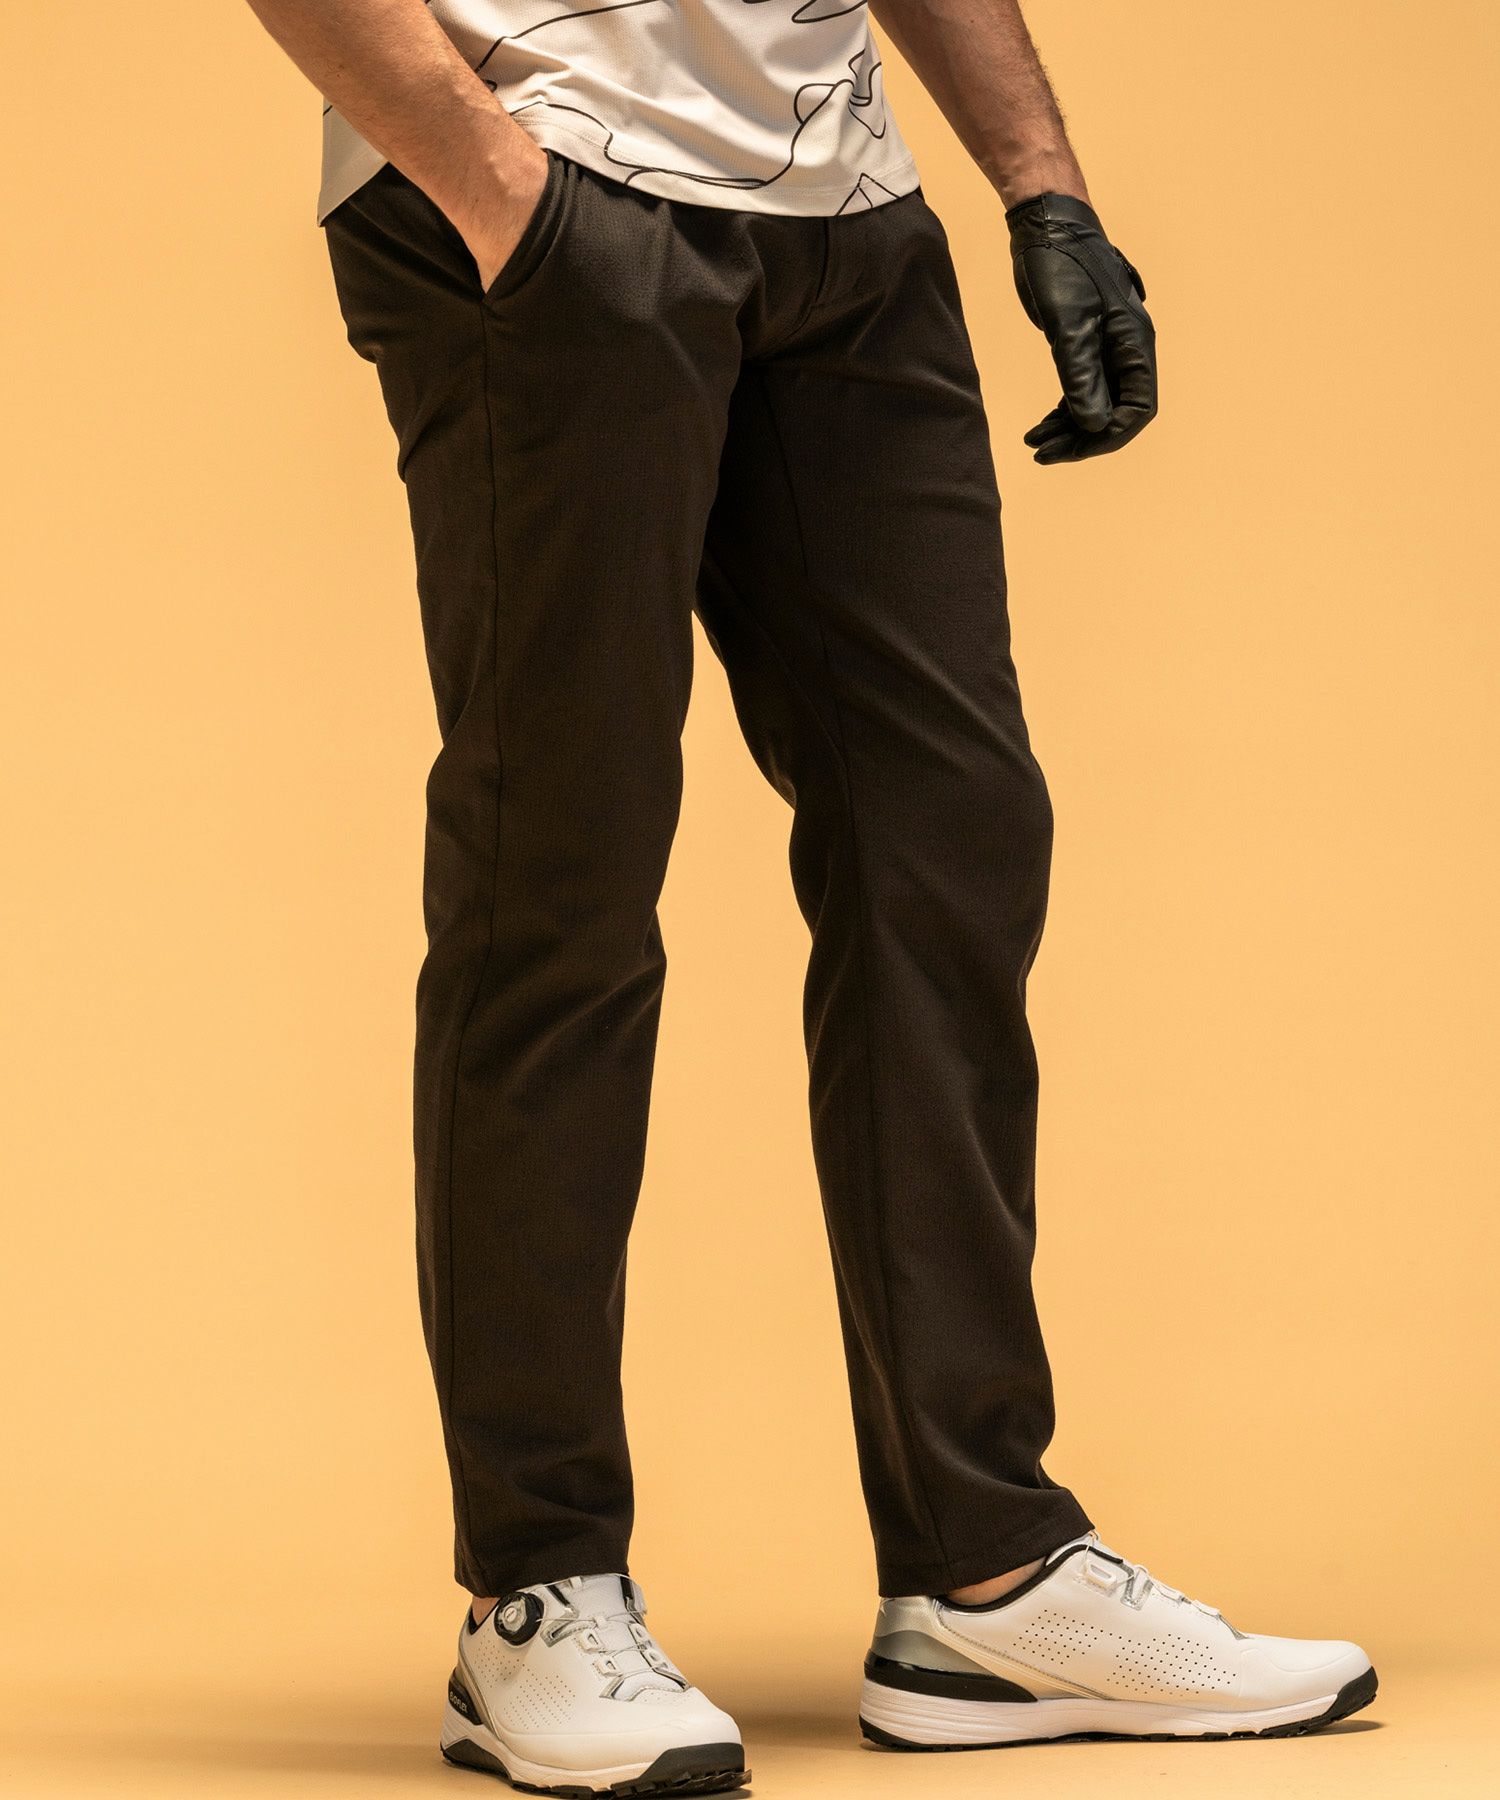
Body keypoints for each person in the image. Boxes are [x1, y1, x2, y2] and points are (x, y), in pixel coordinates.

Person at [244, 1, 1375, 1789]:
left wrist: (1041, 186)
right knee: (562, 879)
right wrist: (497, 187)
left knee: (950, 844)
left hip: (845, 215)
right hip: (552, 190)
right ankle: (536, 1586)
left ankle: (985, 1576)